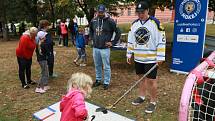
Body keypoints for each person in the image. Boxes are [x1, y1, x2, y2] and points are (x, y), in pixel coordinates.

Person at [126, 1, 166, 113]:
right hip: (138, 58)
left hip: (151, 59)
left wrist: (161, 57)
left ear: (147, 11)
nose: (140, 14)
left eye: (142, 12)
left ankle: (153, 101)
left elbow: (161, 41)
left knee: (151, 81)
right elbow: (131, 40)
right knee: (141, 78)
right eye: (138, 12)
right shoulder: (134, 24)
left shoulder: (155, 23)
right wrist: (129, 54)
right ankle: (141, 96)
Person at [90, 4, 121, 90]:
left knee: (106, 66)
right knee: (97, 65)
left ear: (105, 11)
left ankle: (106, 82)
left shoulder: (110, 21)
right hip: (96, 47)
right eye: (99, 12)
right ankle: (98, 79)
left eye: (102, 12)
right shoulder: (93, 20)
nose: (100, 14)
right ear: (97, 11)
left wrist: (113, 42)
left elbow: (118, 32)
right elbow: (91, 30)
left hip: (105, 48)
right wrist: (92, 39)